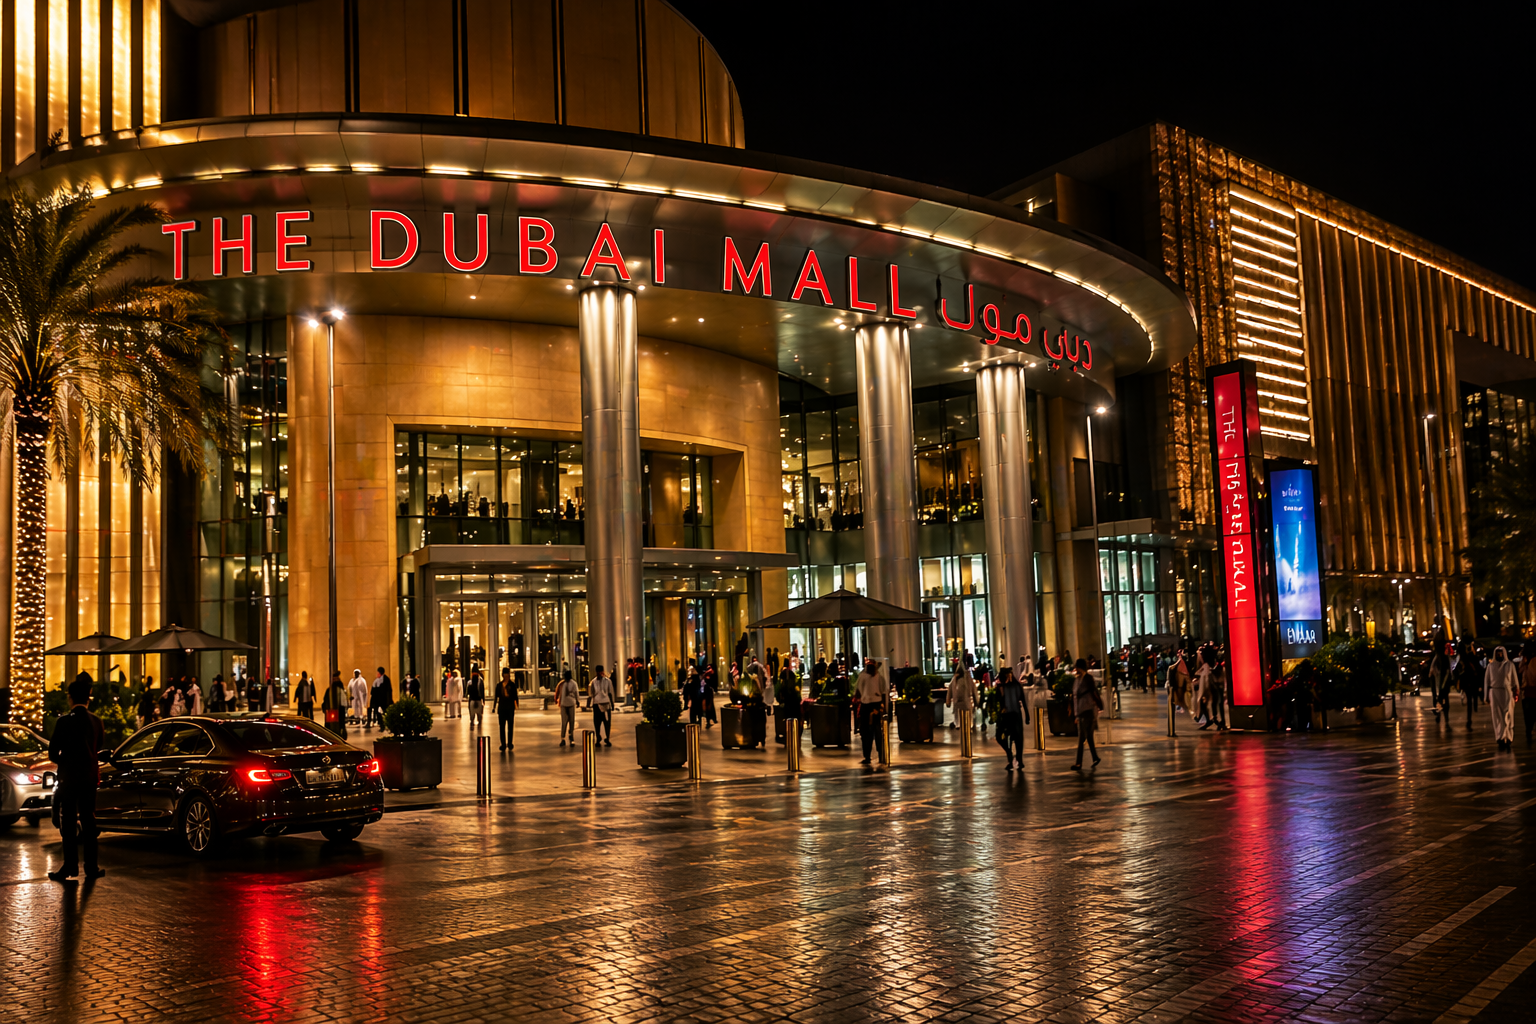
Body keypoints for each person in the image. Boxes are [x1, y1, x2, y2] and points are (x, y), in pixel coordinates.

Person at [47, 675, 106, 882]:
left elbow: (53, 753)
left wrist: (65, 760)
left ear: (70, 697)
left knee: (69, 823)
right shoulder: (97, 722)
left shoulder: (64, 722)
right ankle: (92, 866)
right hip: (89, 777)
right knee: (89, 822)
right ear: (88, 698)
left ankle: (70, 866)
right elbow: (98, 747)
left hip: (69, 779)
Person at [853, 660, 889, 767]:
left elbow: (857, 691)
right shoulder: (878, 677)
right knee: (875, 731)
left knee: (868, 732)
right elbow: (883, 691)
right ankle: (879, 755)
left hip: (867, 706)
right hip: (875, 705)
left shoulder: (863, 676)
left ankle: (869, 756)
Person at [1071, 658, 1103, 770]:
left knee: (1081, 737)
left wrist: (1099, 707)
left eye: (1077, 668)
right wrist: (1075, 714)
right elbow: (1075, 697)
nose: (1076, 670)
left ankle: (1078, 763)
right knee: (1089, 736)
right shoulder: (1077, 680)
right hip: (1081, 711)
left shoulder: (1088, 679)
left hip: (1088, 710)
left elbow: (1094, 693)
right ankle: (1095, 757)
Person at [1485, 646, 1518, 750]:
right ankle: (1500, 737)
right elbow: (1487, 682)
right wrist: (1486, 696)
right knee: (1497, 717)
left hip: (1507, 693)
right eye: (1498, 653)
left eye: (1501, 653)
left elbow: (1514, 680)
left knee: (1508, 716)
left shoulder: (1510, 665)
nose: (1499, 655)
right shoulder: (1490, 666)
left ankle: (1509, 737)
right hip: (1495, 694)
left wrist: (1516, 692)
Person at [994, 668, 1026, 769]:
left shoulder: (1015, 686)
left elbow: (1022, 699)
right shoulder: (1001, 687)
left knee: (1017, 738)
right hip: (1006, 716)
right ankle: (1010, 754)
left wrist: (1027, 715)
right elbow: (998, 700)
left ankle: (1018, 760)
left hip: (1014, 715)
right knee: (1001, 736)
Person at [588, 665, 615, 746]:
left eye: (600, 671)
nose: (599, 673)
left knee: (606, 722)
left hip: (605, 704)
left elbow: (610, 693)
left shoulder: (607, 681)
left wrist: (612, 704)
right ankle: (598, 738)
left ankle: (607, 738)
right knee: (597, 723)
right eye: (598, 672)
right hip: (597, 704)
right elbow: (591, 693)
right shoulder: (593, 682)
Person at [947, 661, 976, 731]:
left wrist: (948, 702)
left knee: (958, 717)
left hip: (957, 703)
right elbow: (974, 690)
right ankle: (968, 726)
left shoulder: (954, 679)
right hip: (967, 703)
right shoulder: (968, 679)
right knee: (967, 717)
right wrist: (976, 701)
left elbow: (949, 691)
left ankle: (959, 725)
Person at [494, 668, 519, 750]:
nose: (506, 676)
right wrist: (494, 707)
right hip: (502, 707)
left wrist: (516, 705)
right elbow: (496, 697)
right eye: (505, 674)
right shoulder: (499, 685)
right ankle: (503, 744)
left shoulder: (512, 685)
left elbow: (515, 696)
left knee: (510, 726)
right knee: (502, 727)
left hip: (510, 707)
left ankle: (510, 743)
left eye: (507, 674)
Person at [556, 669, 579, 747]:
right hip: (564, 704)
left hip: (571, 703)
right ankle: (563, 738)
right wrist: (557, 700)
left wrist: (577, 701)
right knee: (564, 722)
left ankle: (571, 736)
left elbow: (576, 693)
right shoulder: (562, 684)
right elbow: (558, 691)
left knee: (571, 721)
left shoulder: (573, 683)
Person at [322, 671, 349, 739]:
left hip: (334, 712)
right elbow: (344, 703)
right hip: (337, 712)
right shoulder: (339, 690)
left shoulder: (330, 690)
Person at [1521, 644, 1536, 745]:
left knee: (1529, 715)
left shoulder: (1532, 662)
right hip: (1527, 693)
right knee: (1528, 715)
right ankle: (1528, 730)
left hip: (1529, 693)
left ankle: (1529, 731)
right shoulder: (1525, 662)